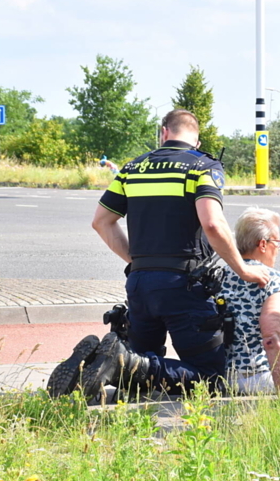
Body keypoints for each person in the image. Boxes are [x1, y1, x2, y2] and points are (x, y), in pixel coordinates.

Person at [52, 109, 269, 401]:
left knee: (138, 380)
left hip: (140, 284)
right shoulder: (202, 166)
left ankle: (92, 369)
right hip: (184, 287)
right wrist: (243, 269)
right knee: (210, 378)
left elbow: (101, 221)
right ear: (197, 139)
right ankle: (120, 361)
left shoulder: (132, 168)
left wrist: (138, 262)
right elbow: (213, 224)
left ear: (164, 132)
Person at [219, 207, 280, 395]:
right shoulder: (272, 279)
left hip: (221, 376)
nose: (278, 249)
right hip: (257, 376)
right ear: (263, 244)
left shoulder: (219, 276)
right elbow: (271, 336)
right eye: (277, 242)